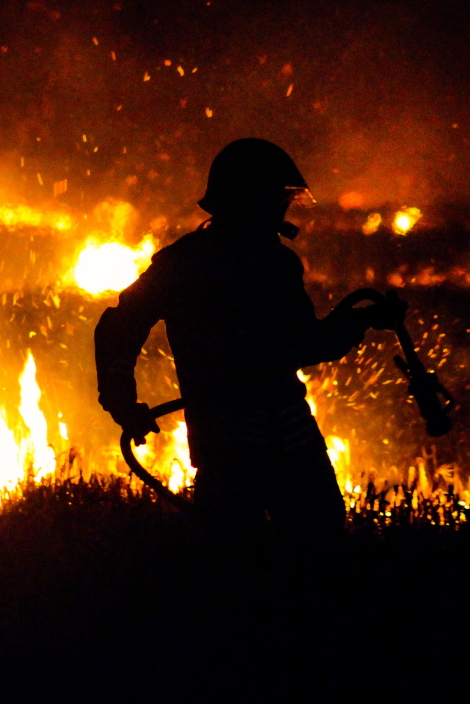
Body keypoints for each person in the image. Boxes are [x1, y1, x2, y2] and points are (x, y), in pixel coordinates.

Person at [94, 138, 384, 543]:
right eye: (275, 199)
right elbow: (304, 345)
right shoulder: (197, 264)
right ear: (248, 200)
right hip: (238, 445)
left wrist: (360, 321)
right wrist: (122, 401)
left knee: (286, 553)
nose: (282, 210)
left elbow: (303, 343)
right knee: (258, 560)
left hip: (274, 438)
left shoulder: (263, 262)